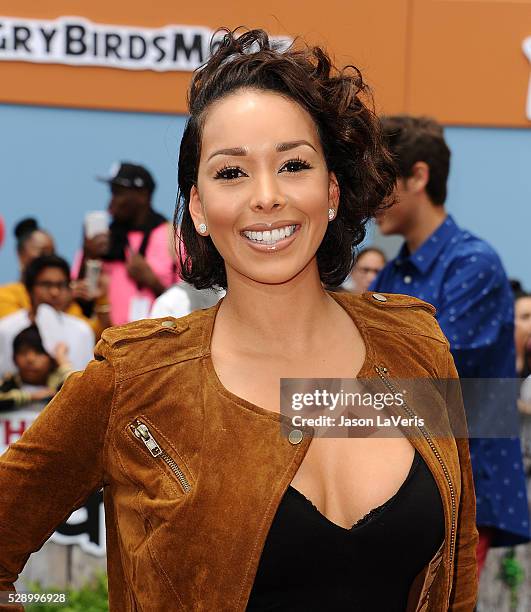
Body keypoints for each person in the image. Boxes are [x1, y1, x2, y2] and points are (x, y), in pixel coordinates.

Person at [0, 30, 477, 611]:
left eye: (293, 164)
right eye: (231, 172)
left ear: (332, 189)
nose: (266, 195)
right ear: (198, 208)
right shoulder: (136, 379)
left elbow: (456, 578)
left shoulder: (417, 344)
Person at [371, 115, 530, 576]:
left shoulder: (473, 263)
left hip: (464, 485)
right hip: (402, 484)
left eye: (382, 180)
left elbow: (433, 373)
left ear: (418, 177)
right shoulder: (390, 274)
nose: (369, 197)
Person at [74, 163, 178, 325]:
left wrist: (152, 281)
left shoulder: (173, 236)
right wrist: (88, 256)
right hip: (107, 344)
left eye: (119, 193)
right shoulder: (100, 242)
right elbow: (79, 301)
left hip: (159, 343)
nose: (112, 201)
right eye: (112, 193)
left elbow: (189, 304)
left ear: (143, 195)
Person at [0, 255, 94, 376]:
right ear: (29, 289)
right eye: (46, 285)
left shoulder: (82, 330)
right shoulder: (5, 329)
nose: (54, 292)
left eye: (61, 285)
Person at [0, 326, 72, 411]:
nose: (30, 359)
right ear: (14, 358)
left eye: (39, 352)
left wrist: (62, 360)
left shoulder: (60, 385)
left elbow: (77, 393)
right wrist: (31, 396)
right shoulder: (8, 382)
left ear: (52, 358)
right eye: (23, 352)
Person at [0, 218, 55, 318]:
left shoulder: (62, 298)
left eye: (52, 253)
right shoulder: (4, 296)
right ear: (20, 254)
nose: (49, 259)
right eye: (42, 252)